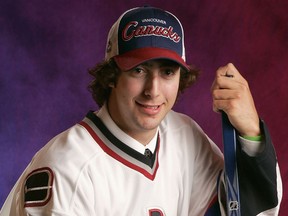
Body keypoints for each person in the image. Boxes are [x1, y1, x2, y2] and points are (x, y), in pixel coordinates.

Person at [0, 6, 282, 216]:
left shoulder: (182, 136)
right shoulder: (70, 169)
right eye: (138, 70)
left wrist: (250, 133)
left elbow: (243, 211)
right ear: (111, 76)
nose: (154, 90)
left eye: (168, 72)